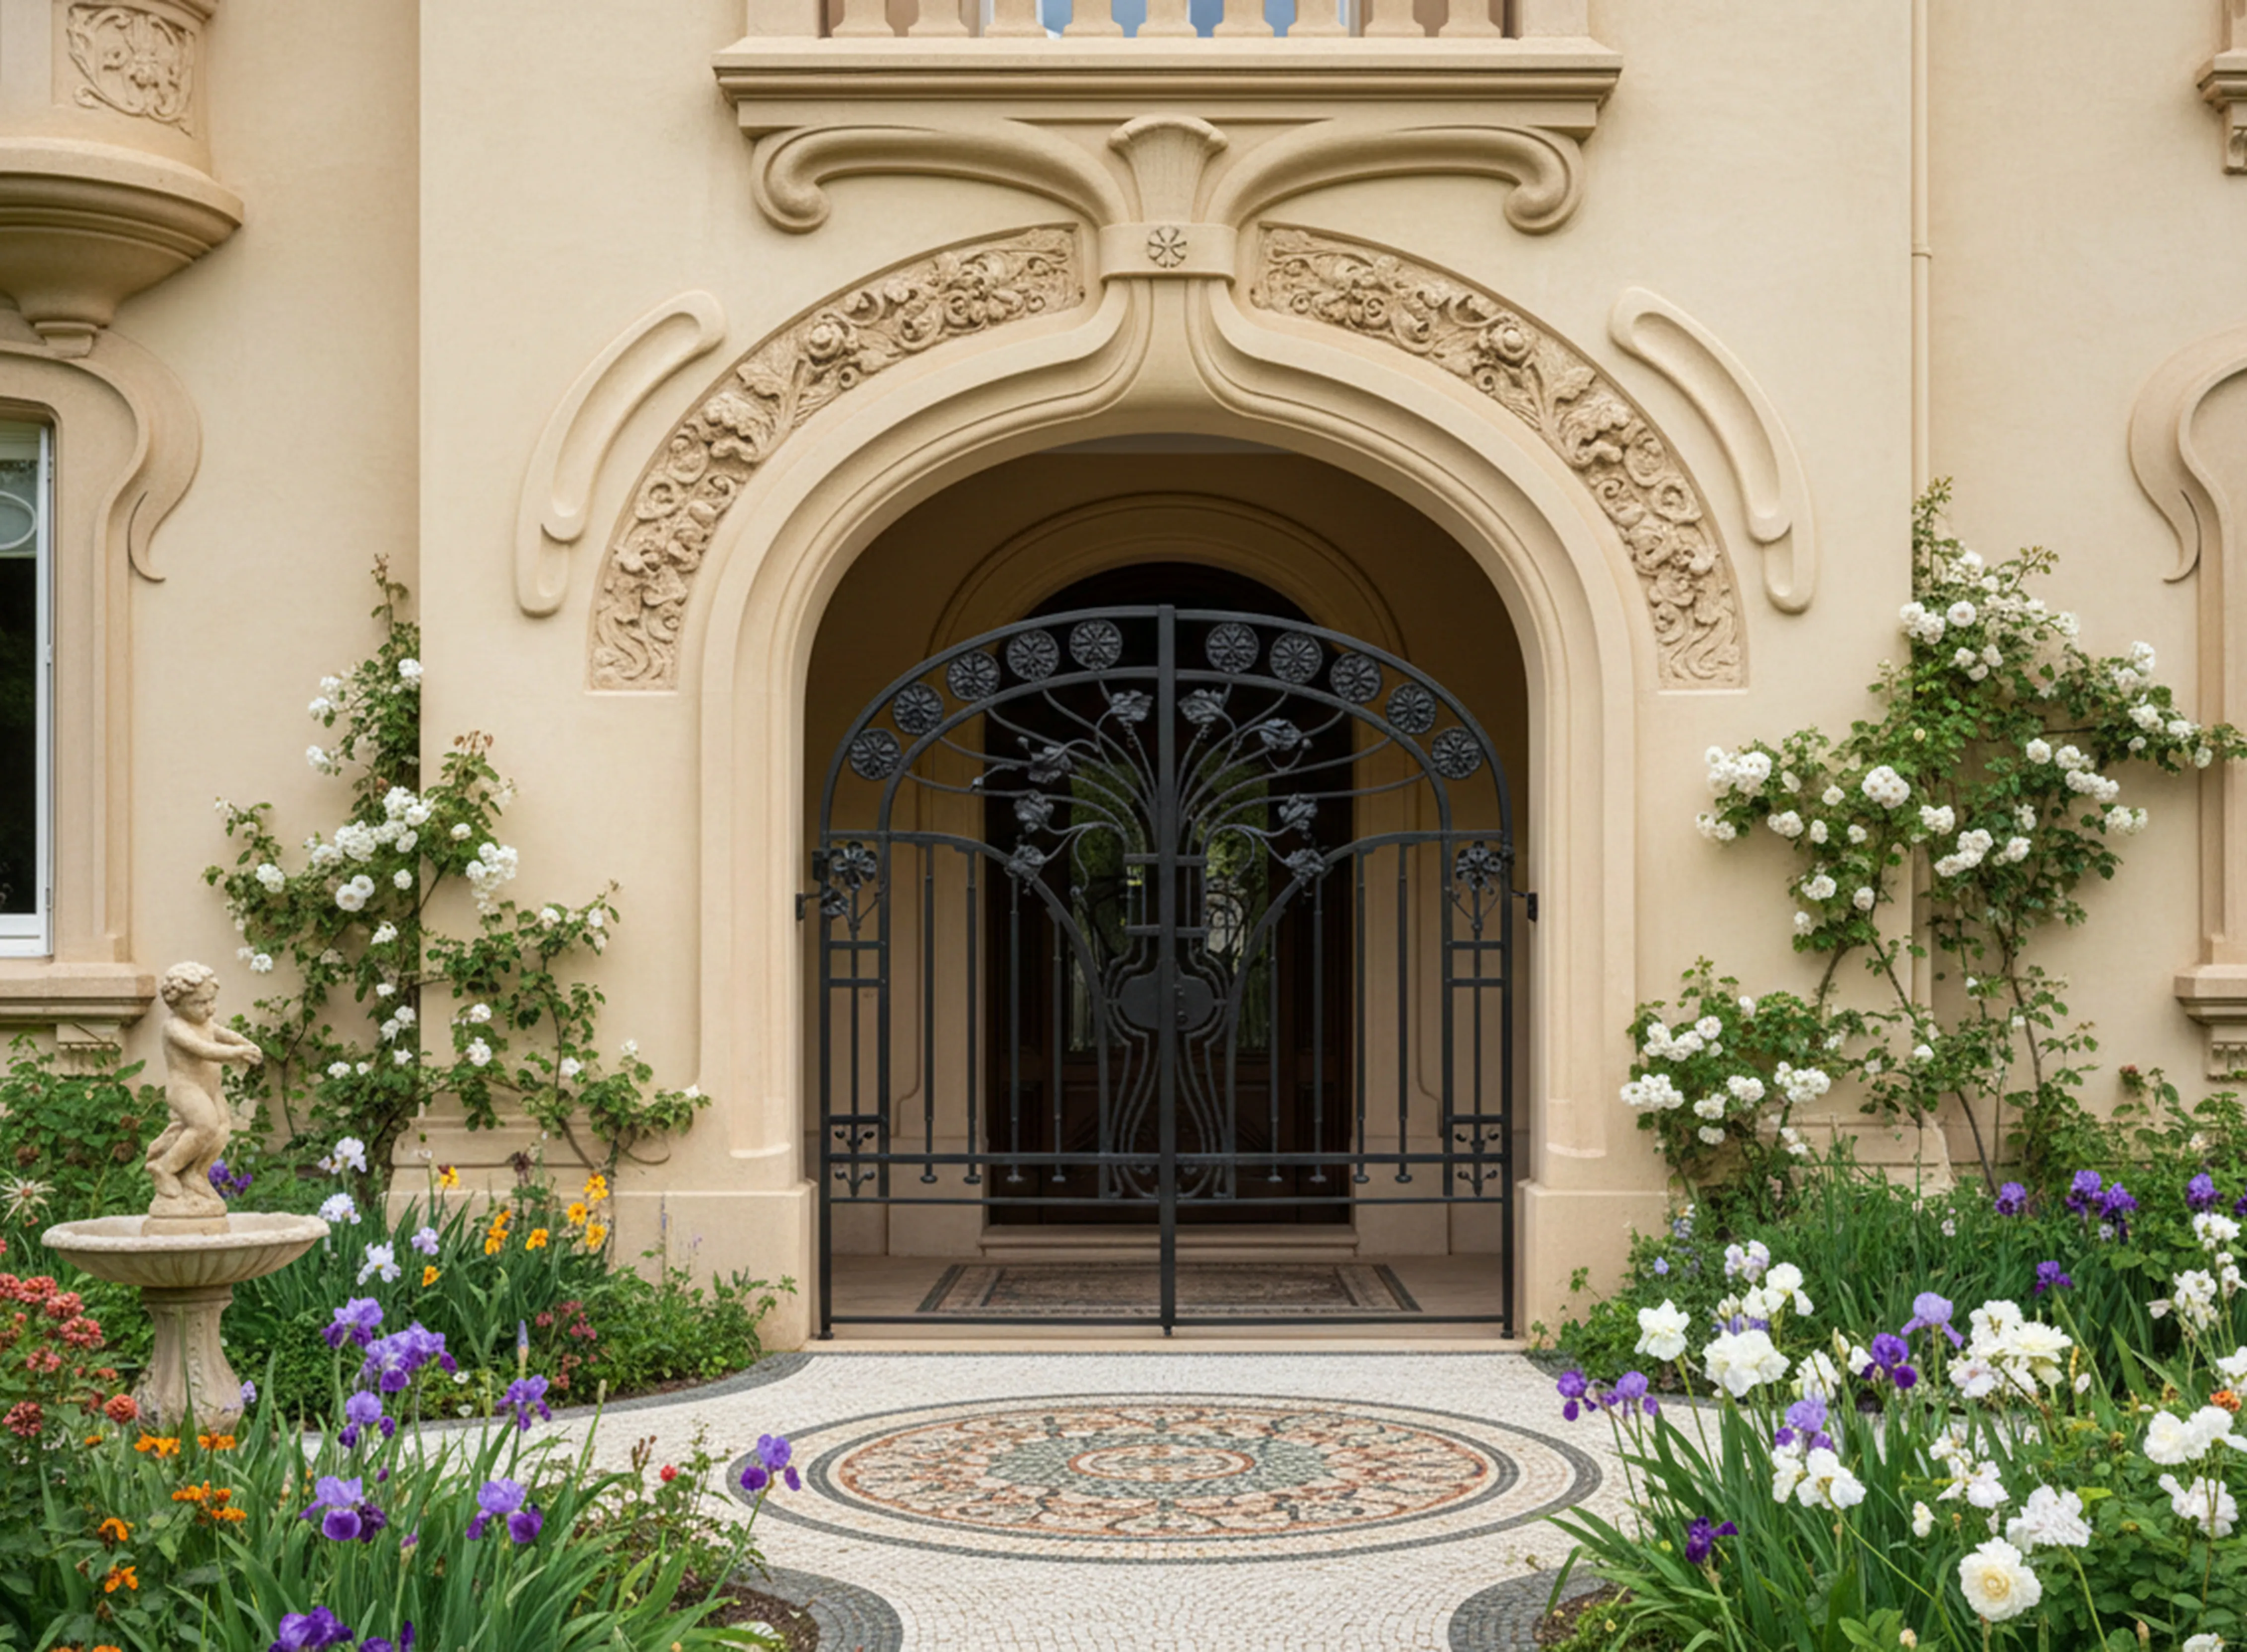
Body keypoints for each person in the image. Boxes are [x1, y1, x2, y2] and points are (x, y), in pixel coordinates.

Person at [145, 962, 261, 1220]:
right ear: (177, 1005)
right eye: (200, 1003)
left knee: (221, 1131)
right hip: (186, 1089)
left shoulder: (206, 1021)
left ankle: (195, 1174)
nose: (209, 1008)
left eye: (211, 1000)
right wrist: (238, 1053)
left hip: (211, 1089)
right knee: (205, 1126)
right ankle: (165, 1168)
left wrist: (243, 1042)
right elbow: (204, 1049)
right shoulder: (175, 1027)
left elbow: (222, 1034)